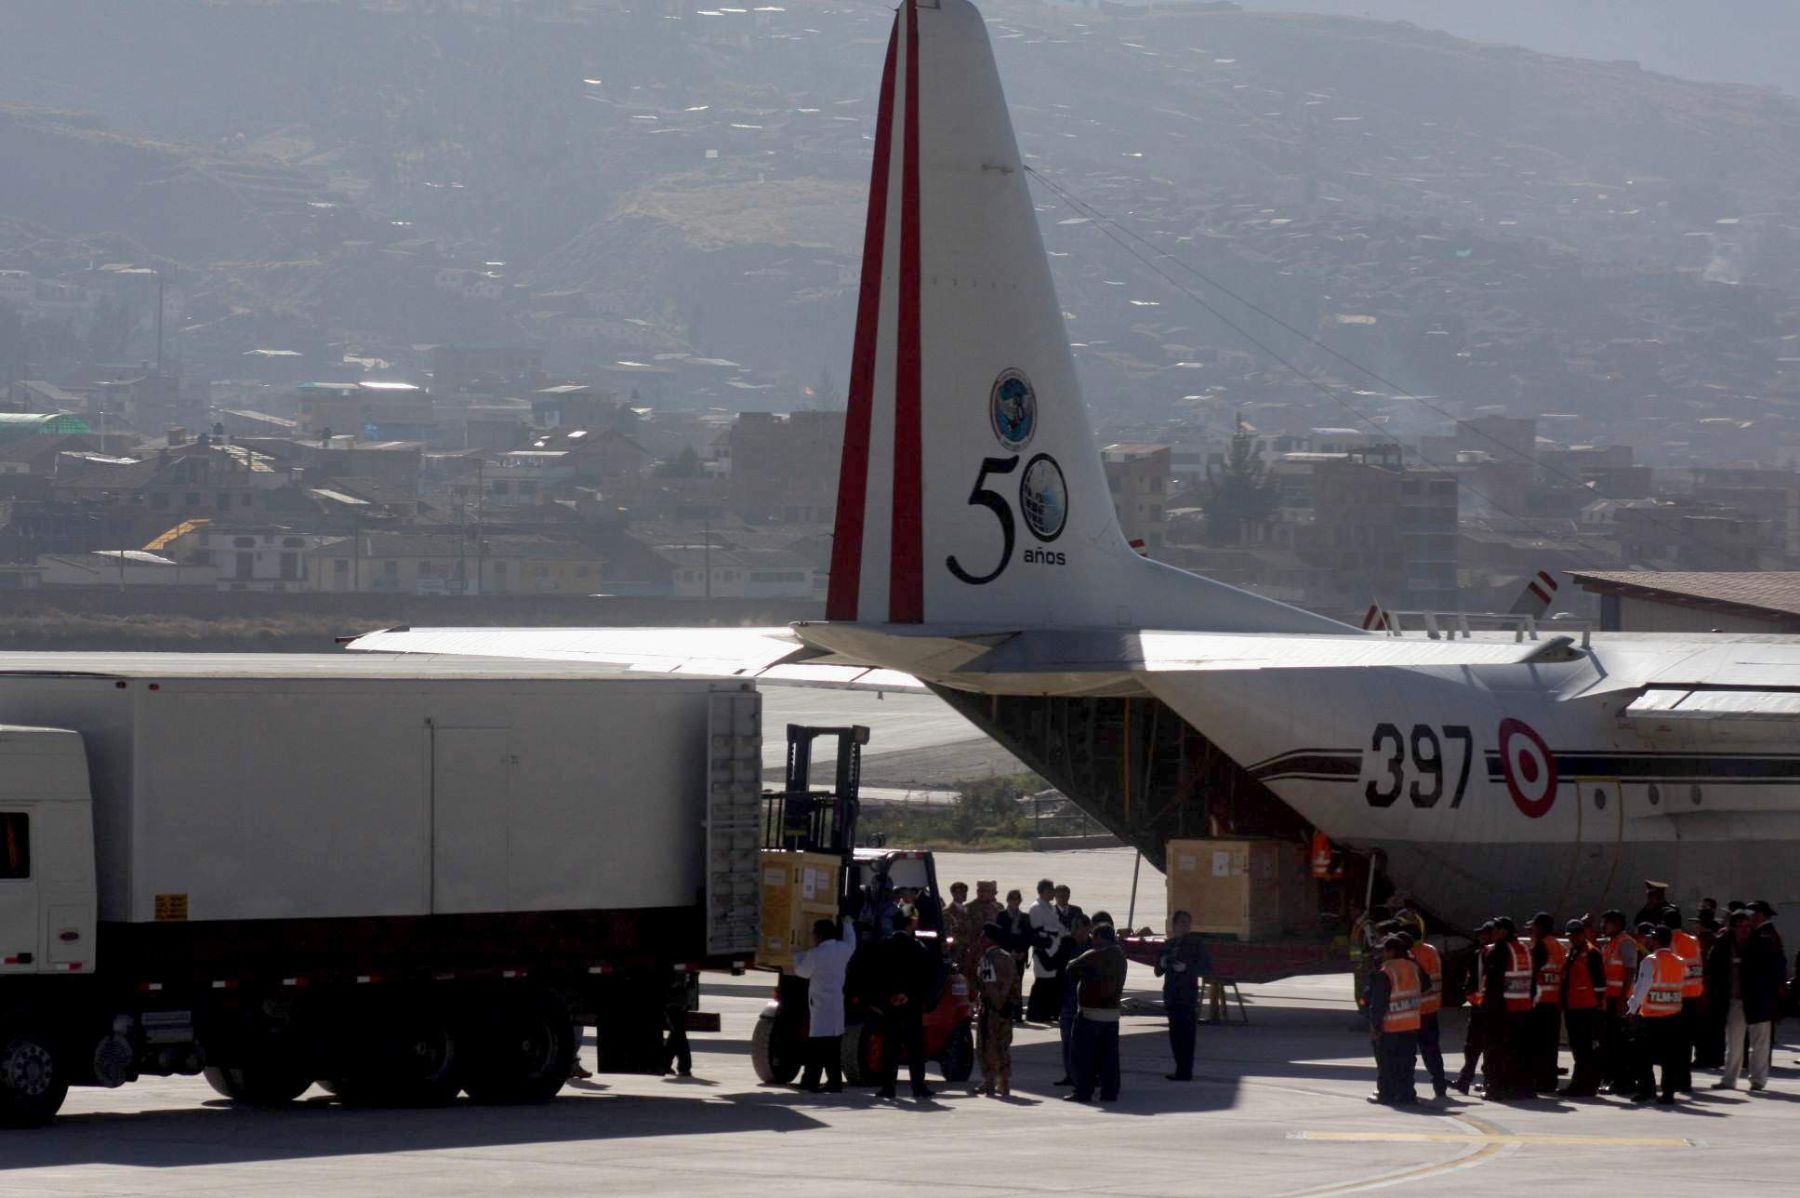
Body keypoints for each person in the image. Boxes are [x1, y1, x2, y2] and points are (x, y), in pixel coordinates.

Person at [1710, 910, 1783, 1091]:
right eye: (1741, 926)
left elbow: (1776, 968)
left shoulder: (1764, 943)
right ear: (1733, 927)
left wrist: (1769, 992)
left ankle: (1758, 1080)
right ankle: (1729, 1079)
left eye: (1748, 926)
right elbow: (1713, 966)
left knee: (1760, 1042)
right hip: (1735, 999)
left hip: (1759, 1000)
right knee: (1734, 1042)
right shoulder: (1724, 943)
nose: (1745, 930)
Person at [871, 905, 937, 1100]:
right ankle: (918, 1086)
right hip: (911, 1005)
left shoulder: (884, 945)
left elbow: (877, 975)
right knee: (915, 1048)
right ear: (912, 923)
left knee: (890, 1047)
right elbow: (925, 977)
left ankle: (888, 1087)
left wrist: (888, 997)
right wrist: (909, 996)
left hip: (890, 1006)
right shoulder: (918, 947)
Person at [1066, 922, 1128, 1103]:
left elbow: (1071, 967)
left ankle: (1083, 1091)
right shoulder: (1120, 957)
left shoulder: (1095, 955)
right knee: (1109, 1058)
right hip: (1111, 1015)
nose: (1092, 940)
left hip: (1091, 1013)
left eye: (1094, 936)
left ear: (1100, 937)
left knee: (1084, 1056)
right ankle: (1110, 1092)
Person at [1627, 924, 1688, 1105]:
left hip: (1651, 1017)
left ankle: (1647, 1090)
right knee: (1670, 1058)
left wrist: (1632, 1010)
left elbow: (1641, 988)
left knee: (1642, 1055)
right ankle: (1668, 1093)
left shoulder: (1650, 961)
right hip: (1674, 1016)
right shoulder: (1679, 961)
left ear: (1656, 940)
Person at [794, 916, 856, 1093]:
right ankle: (834, 1081)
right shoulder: (842, 949)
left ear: (819, 936)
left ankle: (811, 1081)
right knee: (833, 1046)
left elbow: (802, 972)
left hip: (821, 1006)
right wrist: (848, 925)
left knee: (817, 1047)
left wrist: (797, 955)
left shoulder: (815, 954)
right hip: (836, 1004)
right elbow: (852, 942)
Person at [1366, 935, 1425, 1105]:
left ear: (1391, 952)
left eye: (1384, 950)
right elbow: (1426, 985)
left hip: (1390, 1026)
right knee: (1407, 1063)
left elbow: (1378, 1004)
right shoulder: (1414, 967)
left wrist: (1375, 1027)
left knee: (1387, 1064)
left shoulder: (1385, 972)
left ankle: (1386, 1093)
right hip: (1411, 1024)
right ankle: (1407, 1094)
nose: (1382, 954)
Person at [1482, 916, 1534, 1100]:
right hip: (1522, 1007)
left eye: (1496, 929)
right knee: (1519, 1050)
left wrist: (1488, 1007)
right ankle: (1521, 1087)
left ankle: (1495, 1088)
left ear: (1504, 931)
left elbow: (1494, 981)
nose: (1493, 933)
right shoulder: (1523, 949)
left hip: (1502, 1009)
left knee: (1496, 1049)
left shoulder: (1500, 949)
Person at [1157, 909, 1212, 1082]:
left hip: (1187, 996)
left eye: (1187, 923)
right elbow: (1158, 971)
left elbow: (1206, 967)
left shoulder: (1196, 944)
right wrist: (1163, 962)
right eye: (1182, 923)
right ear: (1174, 925)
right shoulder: (1169, 944)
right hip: (1172, 995)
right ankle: (1179, 1068)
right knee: (1175, 1035)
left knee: (1187, 1036)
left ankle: (1185, 1070)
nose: (1185, 926)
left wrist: (1187, 968)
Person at [1559, 919, 1605, 1097]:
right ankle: (1583, 1083)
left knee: (1584, 1047)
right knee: (1578, 1047)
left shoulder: (1591, 953)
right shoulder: (1573, 952)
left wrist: (1597, 1005)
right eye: (1570, 936)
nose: (1571, 939)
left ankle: (1583, 1084)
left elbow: (1599, 982)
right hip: (1573, 1006)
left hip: (1586, 1007)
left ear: (1581, 934)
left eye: (1574, 936)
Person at [1401, 930, 1448, 1099]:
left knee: (1408, 1052)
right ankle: (1440, 1083)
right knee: (1432, 1050)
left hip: (1413, 1011)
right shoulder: (1431, 950)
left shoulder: (1408, 957)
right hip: (1432, 1007)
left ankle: (1407, 1087)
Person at [1598, 910, 1641, 1095]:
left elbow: (1630, 971)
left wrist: (1623, 1000)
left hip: (1618, 999)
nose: (1603, 926)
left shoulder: (1625, 943)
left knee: (1619, 1043)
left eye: (1606, 923)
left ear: (1616, 924)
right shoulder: (1611, 944)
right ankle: (1612, 1078)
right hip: (1610, 998)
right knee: (1609, 1041)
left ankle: (1622, 1080)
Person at [1453, 920, 1496, 1094]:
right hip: (1485, 1005)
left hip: (1481, 1006)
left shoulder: (1484, 953)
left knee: (1476, 1045)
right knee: (1479, 1046)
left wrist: (1471, 996)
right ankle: (1471, 1080)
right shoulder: (1488, 953)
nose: (1480, 937)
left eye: (1484, 933)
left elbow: (1473, 981)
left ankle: (1472, 1080)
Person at [1524, 911, 1566, 1092]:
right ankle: (1549, 1081)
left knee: (1537, 1045)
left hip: (1540, 1002)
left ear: (1541, 927)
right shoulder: (1557, 945)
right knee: (1550, 1045)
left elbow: (1532, 973)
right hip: (1554, 1001)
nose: (1532, 930)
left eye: (1534, 927)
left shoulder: (1541, 946)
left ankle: (1539, 1081)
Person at [974, 922, 1017, 1096]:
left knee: (986, 1045)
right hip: (1006, 1008)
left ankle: (990, 1081)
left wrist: (994, 1003)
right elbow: (1015, 982)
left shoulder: (987, 959)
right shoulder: (1008, 957)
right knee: (1003, 1045)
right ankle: (1004, 1082)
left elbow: (989, 984)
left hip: (992, 1008)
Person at [1664, 907, 1701, 1092]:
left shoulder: (1671, 943)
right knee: (1687, 1043)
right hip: (1695, 996)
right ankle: (1685, 1081)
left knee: (1674, 1044)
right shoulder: (1693, 941)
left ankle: (1676, 1080)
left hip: (1678, 998)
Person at [1055, 913, 1092, 1085]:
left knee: (1087, 1040)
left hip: (1087, 998)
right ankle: (1070, 1074)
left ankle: (1090, 1074)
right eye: (1077, 930)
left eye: (1083, 930)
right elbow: (1058, 969)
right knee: (1067, 1038)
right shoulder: (1066, 944)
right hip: (1069, 996)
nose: (1080, 934)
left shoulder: (1093, 946)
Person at [1027, 879, 1065, 1022]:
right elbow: (1036, 928)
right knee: (1042, 981)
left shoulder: (1050, 907)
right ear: (1042, 891)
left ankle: (1048, 1012)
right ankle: (1035, 1013)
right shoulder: (1036, 907)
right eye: (1050, 890)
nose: (1053, 893)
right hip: (1043, 948)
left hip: (1054, 947)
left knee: (1051, 982)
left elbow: (1058, 926)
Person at [997, 888, 1031, 1023]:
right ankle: (1005, 1011)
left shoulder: (1025, 917)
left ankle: (1016, 1013)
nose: (1015, 902)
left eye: (1017, 899)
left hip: (1020, 955)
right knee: (1005, 983)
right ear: (1008, 901)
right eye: (1012, 899)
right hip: (1006, 954)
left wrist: (1022, 951)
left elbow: (1028, 936)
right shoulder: (1002, 916)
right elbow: (1000, 936)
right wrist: (1009, 951)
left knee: (1018, 983)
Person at [962, 881, 1003, 984]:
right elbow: (966, 930)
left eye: (986, 891)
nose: (982, 893)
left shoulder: (998, 907)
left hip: (994, 949)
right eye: (980, 891)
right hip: (976, 949)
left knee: (993, 979)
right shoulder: (970, 908)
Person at [664, 968, 695, 1077]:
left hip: (675, 999)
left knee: (677, 1033)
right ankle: (683, 1066)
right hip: (678, 999)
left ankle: (669, 1063)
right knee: (678, 1033)